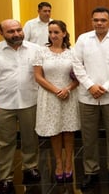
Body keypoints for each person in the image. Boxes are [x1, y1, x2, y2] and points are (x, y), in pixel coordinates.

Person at [72, 7, 109, 189]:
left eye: (103, 20)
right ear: (92, 21)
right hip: (87, 97)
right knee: (88, 137)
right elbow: (77, 65)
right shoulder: (83, 39)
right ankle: (91, 171)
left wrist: (104, 87)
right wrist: (90, 85)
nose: (99, 23)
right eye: (96, 20)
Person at [0, 19, 41, 194]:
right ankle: (6, 178)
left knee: (30, 138)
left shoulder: (35, 49)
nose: (16, 34)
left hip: (30, 101)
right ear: (1, 33)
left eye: (18, 30)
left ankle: (30, 167)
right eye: (11, 31)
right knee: (4, 143)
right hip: (4, 104)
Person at [33, 20, 80, 183]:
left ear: (64, 33)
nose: (53, 35)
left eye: (56, 32)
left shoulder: (72, 53)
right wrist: (56, 90)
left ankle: (69, 163)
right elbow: (38, 76)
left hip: (69, 95)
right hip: (50, 95)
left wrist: (67, 89)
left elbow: (78, 77)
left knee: (68, 130)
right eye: (50, 32)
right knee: (55, 131)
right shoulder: (41, 52)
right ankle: (58, 163)